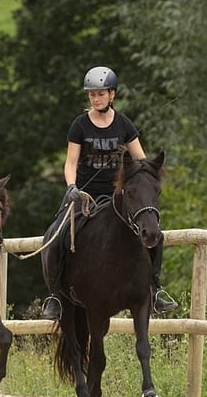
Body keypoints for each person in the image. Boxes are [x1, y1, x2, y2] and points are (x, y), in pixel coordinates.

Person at [40, 65, 178, 320]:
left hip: (118, 198)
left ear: (112, 94)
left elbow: (141, 161)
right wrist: (72, 187)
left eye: (100, 94)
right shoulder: (80, 125)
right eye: (92, 95)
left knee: (155, 233)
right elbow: (71, 162)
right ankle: (55, 296)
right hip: (84, 195)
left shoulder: (124, 124)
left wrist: (140, 177)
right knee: (55, 234)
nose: (96, 98)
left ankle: (156, 289)